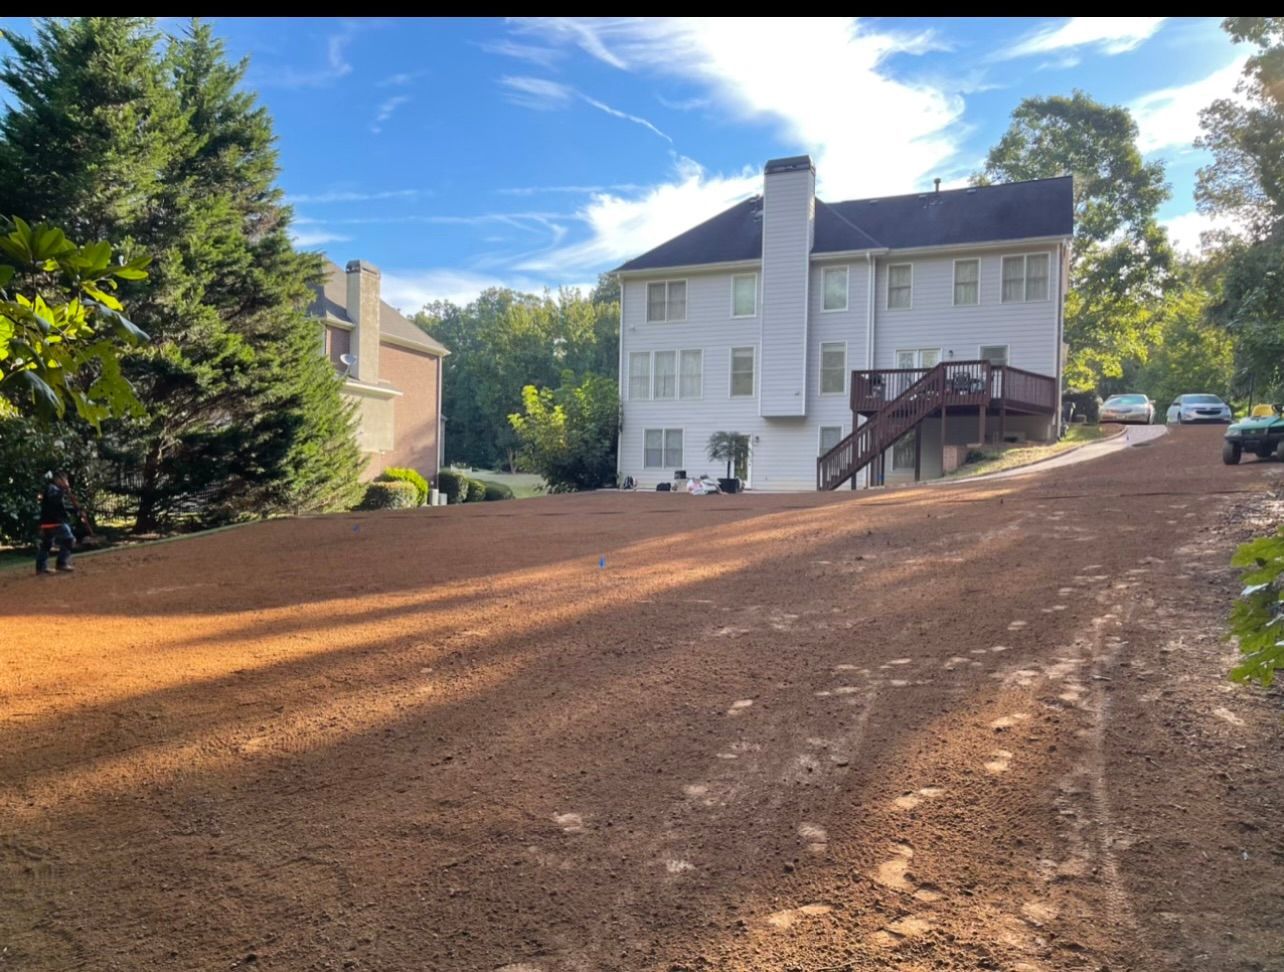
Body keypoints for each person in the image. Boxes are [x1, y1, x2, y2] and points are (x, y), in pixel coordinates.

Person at [35, 471, 80, 575]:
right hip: (54, 522)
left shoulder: (56, 490)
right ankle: (61, 563)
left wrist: (76, 509)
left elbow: (60, 507)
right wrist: (64, 490)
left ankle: (42, 567)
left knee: (47, 543)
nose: (66, 482)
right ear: (57, 480)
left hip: (51, 521)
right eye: (64, 480)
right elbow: (54, 499)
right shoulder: (52, 489)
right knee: (69, 540)